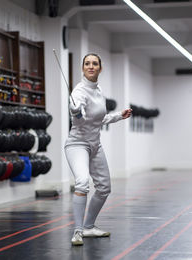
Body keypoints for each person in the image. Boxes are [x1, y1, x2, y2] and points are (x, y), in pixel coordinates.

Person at [64, 53, 132, 246]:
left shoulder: (98, 90)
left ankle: (88, 227)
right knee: (83, 182)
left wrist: (119, 115)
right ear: (83, 68)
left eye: (94, 63)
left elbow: (98, 120)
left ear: (100, 68)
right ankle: (77, 231)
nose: (91, 66)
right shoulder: (78, 92)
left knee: (104, 188)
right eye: (87, 63)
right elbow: (79, 117)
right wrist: (76, 111)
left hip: (95, 144)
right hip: (77, 144)